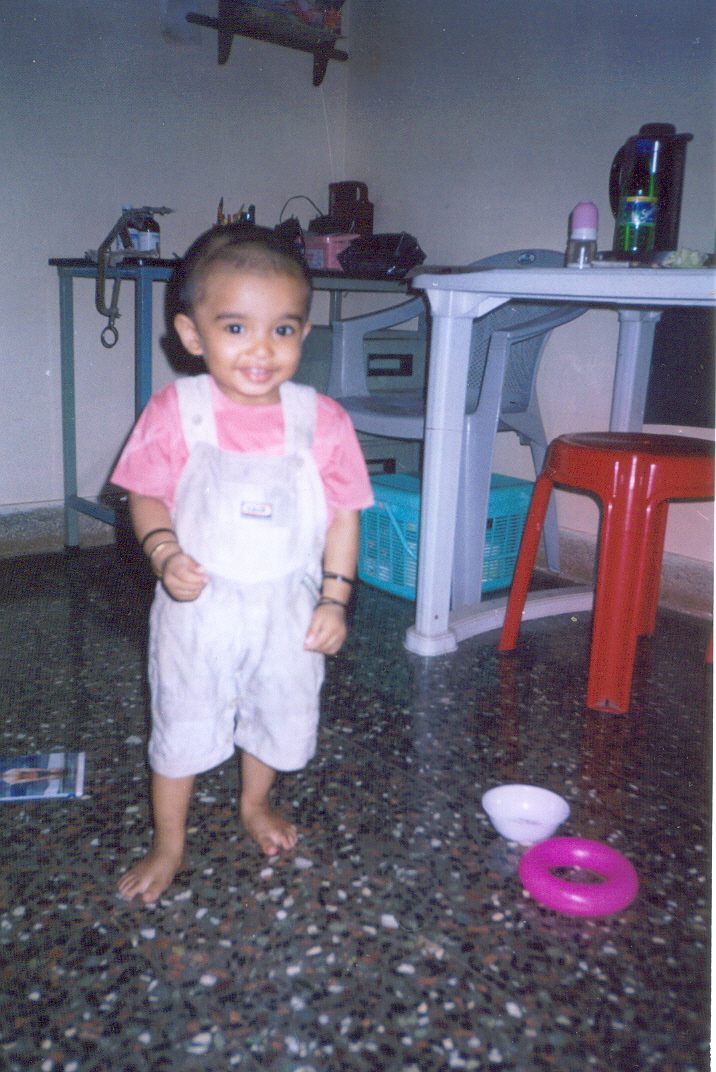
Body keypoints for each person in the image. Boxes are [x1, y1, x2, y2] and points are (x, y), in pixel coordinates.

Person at [111, 224, 373, 904]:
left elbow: (343, 515)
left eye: (282, 329)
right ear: (192, 335)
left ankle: (255, 802)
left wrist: (335, 598)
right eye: (235, 327)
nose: (261, 348)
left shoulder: (323, 420)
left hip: (288, 604)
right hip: (198, 604)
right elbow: (146, 494)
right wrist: (163, 552)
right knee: (182, 716)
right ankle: (169, 841)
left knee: (278, 707)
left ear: (304, 332)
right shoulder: (177, 410)